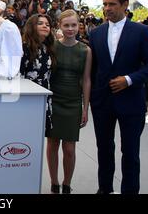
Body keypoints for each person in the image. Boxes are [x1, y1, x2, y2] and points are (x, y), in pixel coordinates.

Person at [89, 0, 148, 194]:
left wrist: (129, 80)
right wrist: (92, 97)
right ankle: (104, 189)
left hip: (131, 101)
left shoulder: (141, 31)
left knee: (130, 152)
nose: (107, 8)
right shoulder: (96, 33)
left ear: (125, 5)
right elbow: (93, 70)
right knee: (104, 150)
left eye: (112, 4)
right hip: (102, 102)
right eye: (105, 4)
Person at [47, 10, 92, 194]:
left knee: (69, 149)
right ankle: (54, 183)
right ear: (59, 25)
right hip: (53, 101)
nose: (70, 29)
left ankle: (67, 183)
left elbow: (86, 79)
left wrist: (85, 108)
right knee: (52, 144)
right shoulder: (52, 47)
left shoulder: (85, 50)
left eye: (74, 25)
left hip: (73, 102)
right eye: (66, 25)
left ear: (79, 25)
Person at [20, 13, 55, 153]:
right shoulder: (23, 47)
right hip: (26, 100)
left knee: (37, 143)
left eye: (47, 24)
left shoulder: (48, 48)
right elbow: (18, 76)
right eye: (40, 23)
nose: (45, 26)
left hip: (44, 99)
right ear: (31, 26)